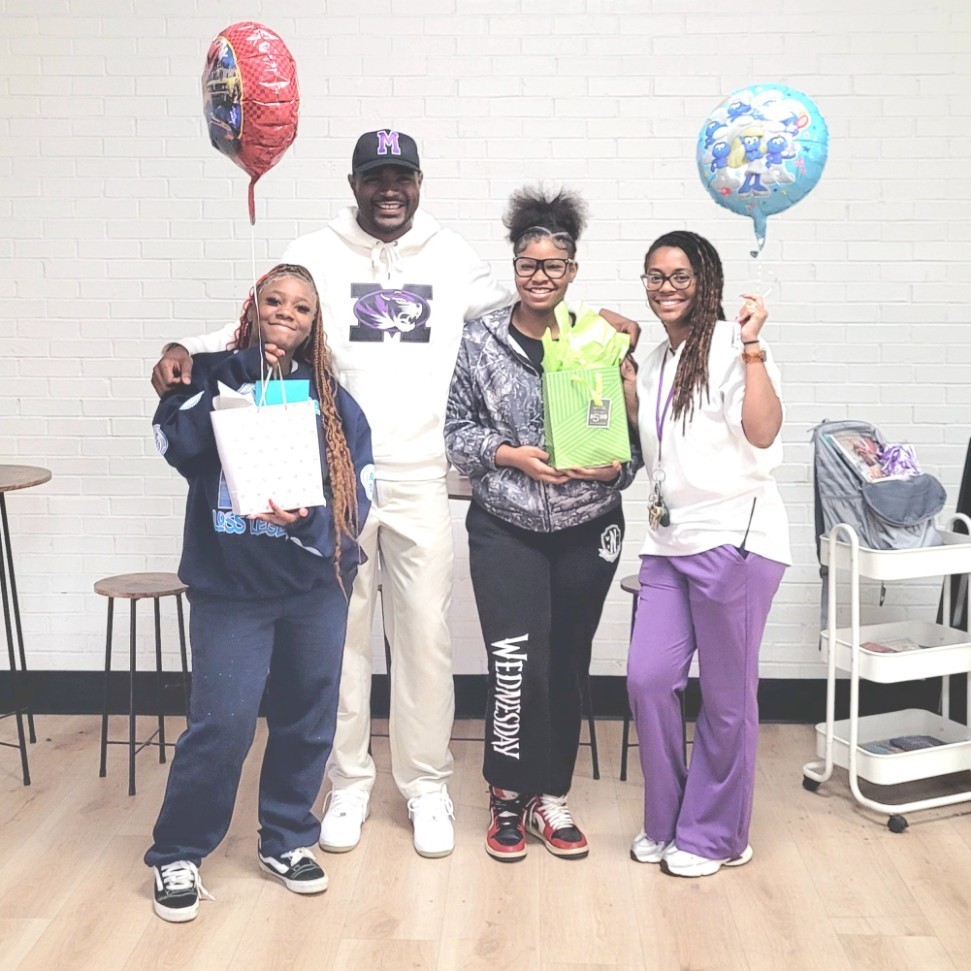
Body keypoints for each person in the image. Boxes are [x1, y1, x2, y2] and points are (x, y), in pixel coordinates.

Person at [151, 130, 639, 860]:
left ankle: (425, 785)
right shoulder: (314, 250)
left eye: (401, 177)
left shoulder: (449, 256)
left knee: (424, 638)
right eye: (375, 176)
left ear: (417, 183)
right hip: (336, 480)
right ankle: (346, 782)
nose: (389, 189)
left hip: (420, 475)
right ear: (353, 182)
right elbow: (258, 318)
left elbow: (536, 295)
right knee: (340, 643)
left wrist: (603, 322)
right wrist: (182, 348)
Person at [146, 264, 373, 921]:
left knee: (307, 715)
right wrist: (224, 366)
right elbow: (174, 443)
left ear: (313, 323)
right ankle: (178, 852)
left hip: (311, 585)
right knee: (223, 721)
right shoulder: (214, 373)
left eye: (301, 308)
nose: (286, 313)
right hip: (230, 586)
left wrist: (307, 520)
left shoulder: (332, 397)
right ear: (253, 307)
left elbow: (359, 493)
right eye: (274, 301)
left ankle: (286, 836)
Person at [445, 187, 641, 862]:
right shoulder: (479, 340)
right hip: (506, 523)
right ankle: (505, 791)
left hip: (588, 527)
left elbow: (632, 447)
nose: (539, 276)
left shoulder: (598, 340)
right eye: (528, 264)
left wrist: (606, 470)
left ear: (572, 270)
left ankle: (548, 794)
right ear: (514, 265)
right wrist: (508, 454)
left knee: (565, 660)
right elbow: (455, 431)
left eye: (552, 265)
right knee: (513, 660)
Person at [620, 230, 790, 878]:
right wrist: (627, 383)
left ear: (705, 281)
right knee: (647, 679)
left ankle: (717, 834)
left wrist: (750, 346)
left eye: (678, 275)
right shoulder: (662, 359)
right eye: (654, 276)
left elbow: (763, 431)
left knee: (724, 698)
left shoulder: (730, 346)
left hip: (734, 542)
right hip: (667, 542)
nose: (665, 288)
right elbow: (660, 452)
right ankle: (667, 821)